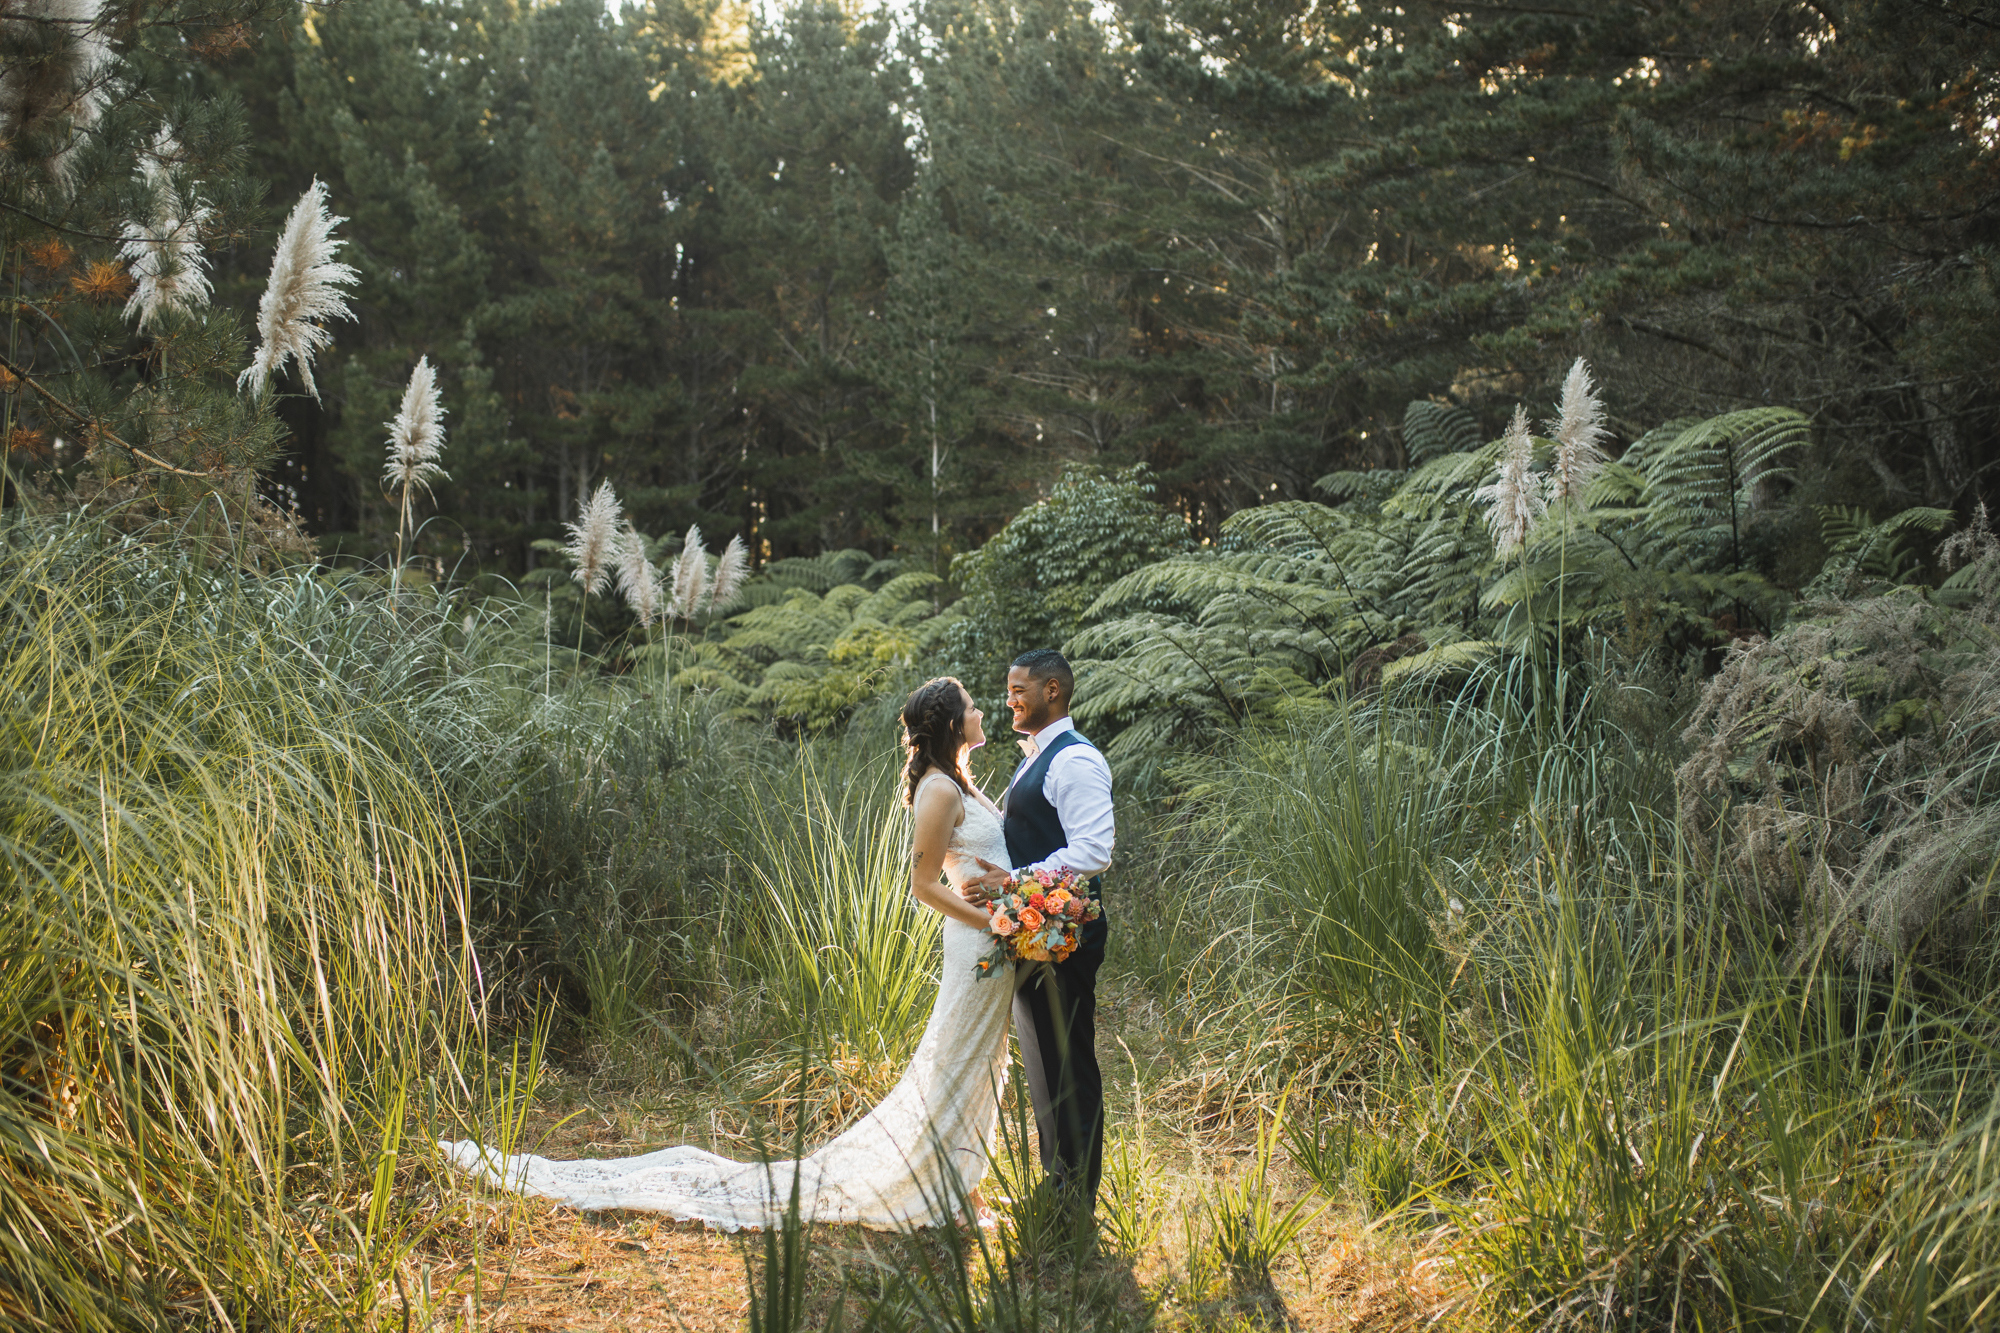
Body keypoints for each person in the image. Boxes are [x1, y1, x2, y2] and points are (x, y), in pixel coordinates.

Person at [439, 677, 1014, 1230]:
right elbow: (923, 886)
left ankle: (959, 1183)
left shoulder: (959, 780)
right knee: (959, 1060)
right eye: (971, 706)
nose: (981, 712)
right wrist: (993, 918)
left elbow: (973, 862)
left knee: (976, 1060)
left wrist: (1009, 892)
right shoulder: (938, 789)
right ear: (950, 722)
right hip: (977, 942)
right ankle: (954, 1188)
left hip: (994, 935)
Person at [964, 648, 1114, 1206]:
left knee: (1067, 1059)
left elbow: (1093, 850)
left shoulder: (1074, 760)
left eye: (1018, 689)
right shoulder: (1038, 755)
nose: (1009, 699)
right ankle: (1059, 1184)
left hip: (1065, 934)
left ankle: (1075, 1197)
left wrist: (1014, 880)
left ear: (1052, 690)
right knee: (1045, 1056)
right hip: (1035, 931)